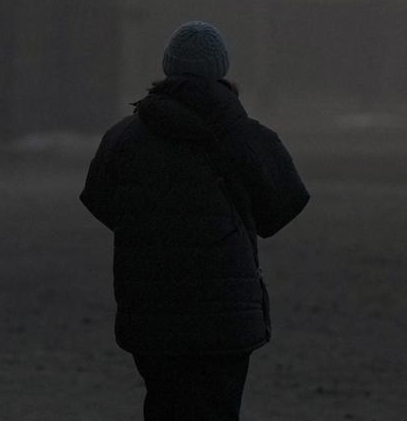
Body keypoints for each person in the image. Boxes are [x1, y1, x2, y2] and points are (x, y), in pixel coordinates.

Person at [80, 21, 310, 421]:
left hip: (150, 310)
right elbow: (280, 210)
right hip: (227, 313)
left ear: (168, 67)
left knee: (164, 406)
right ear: (222, 69)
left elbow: (101, 202)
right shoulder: (250, 138)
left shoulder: (123, 138)